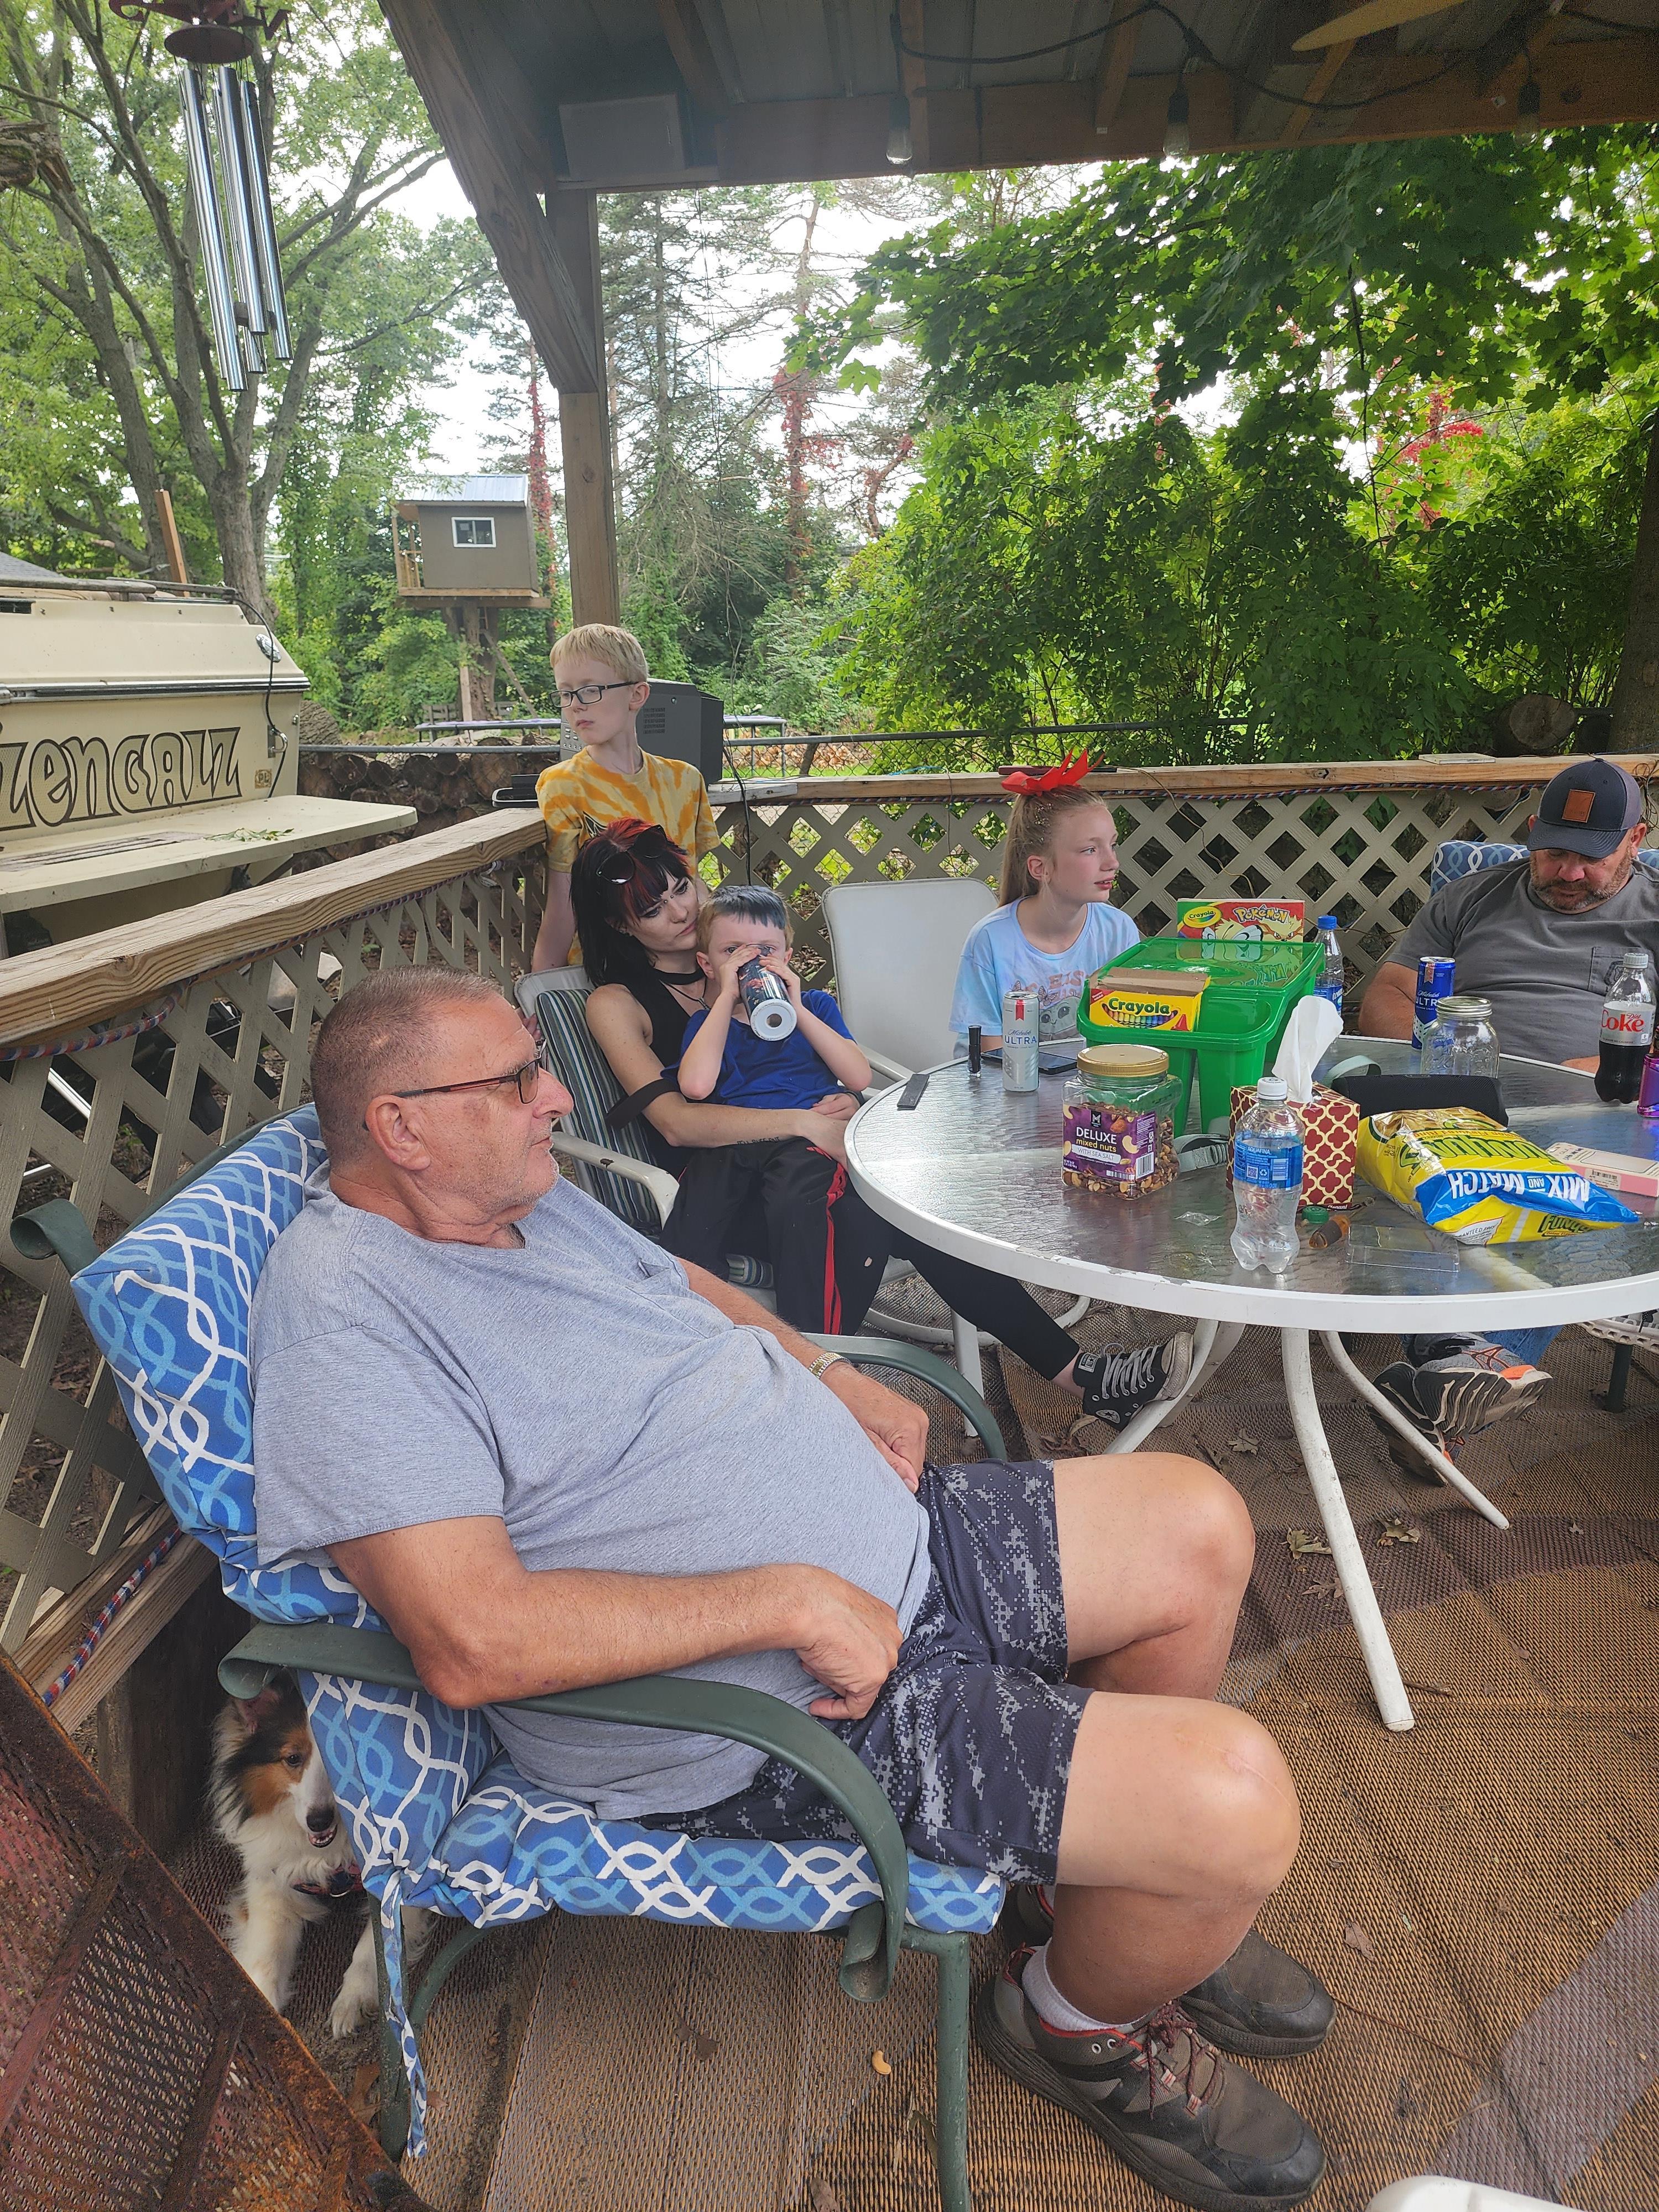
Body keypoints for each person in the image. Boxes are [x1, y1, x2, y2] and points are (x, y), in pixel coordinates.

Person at [251, 965, 1329, 2212]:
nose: (556, 1094)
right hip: (772, 1716)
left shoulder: (512, 1197)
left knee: (1197, 1521)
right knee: (1236, 1801)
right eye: (516, 1077)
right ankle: (1075, 2018)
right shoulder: (348, 1315)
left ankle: (1088, 1897)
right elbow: (472, 1637)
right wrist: (793, 1600)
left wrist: (825, 1368)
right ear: (401, 1126)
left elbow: (679, 1286)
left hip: (891, 1550)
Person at [573, 821, 1193, 1430]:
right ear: (620, 926)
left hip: (809, 1166)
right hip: (730, 1196)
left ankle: (1077, 1377)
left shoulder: (751, 954)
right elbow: (678, 1122)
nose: (679, 909)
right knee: (877, 1205)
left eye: (681, 885)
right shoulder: (619, 1002)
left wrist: (833, 1102)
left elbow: (820, 1058)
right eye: (652, 908)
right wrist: (803, 1124)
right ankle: (830, 1403)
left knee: (913, 1202)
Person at [1358, 757, 1659, 1441]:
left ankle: (1452, 1362)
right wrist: (1443, 1067)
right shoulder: (1473, 895)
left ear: (1635, 840)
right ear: (1531, 833)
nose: (1569, 873)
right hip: (1458, 1100)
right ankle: (1456, 1372)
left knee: (1558, 1192)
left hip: (1594, 1116)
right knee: (1393, 1162)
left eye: (1591, 857)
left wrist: (1599, 1072)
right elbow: (1388, 993)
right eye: (1554, 852)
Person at [665, 885, 892, 1333]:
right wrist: (726, 999)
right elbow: (694, 1087)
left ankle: (814, 1341)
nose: (750, 960)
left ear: (786, 956)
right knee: (698, 1206)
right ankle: (692, 1324)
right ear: (708, 964)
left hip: (806, 1141)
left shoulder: (815, 1008)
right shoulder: (709, 1025)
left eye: (765, 950)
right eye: (733, 951)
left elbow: (859, 1077)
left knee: (799, 1200)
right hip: (738, 1140)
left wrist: (796, 1007)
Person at [530, 623, 719, 971]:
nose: (575, 706)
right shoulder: (563, 786)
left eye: (590, 690)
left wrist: (730, 950)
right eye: (566, 693)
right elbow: (562, 909)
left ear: (637, 695)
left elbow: (692, 882)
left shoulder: (685, 781)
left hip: (690, 967)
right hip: (611, 974)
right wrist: (542, 996)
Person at [951, 759, 1138, 1057]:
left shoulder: (1118, 931)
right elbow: (993, 1060)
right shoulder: (991, 941)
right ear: (1041, 868)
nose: (1112, 862)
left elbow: (1126, 1043)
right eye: (1090, 849)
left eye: (1112, 845)